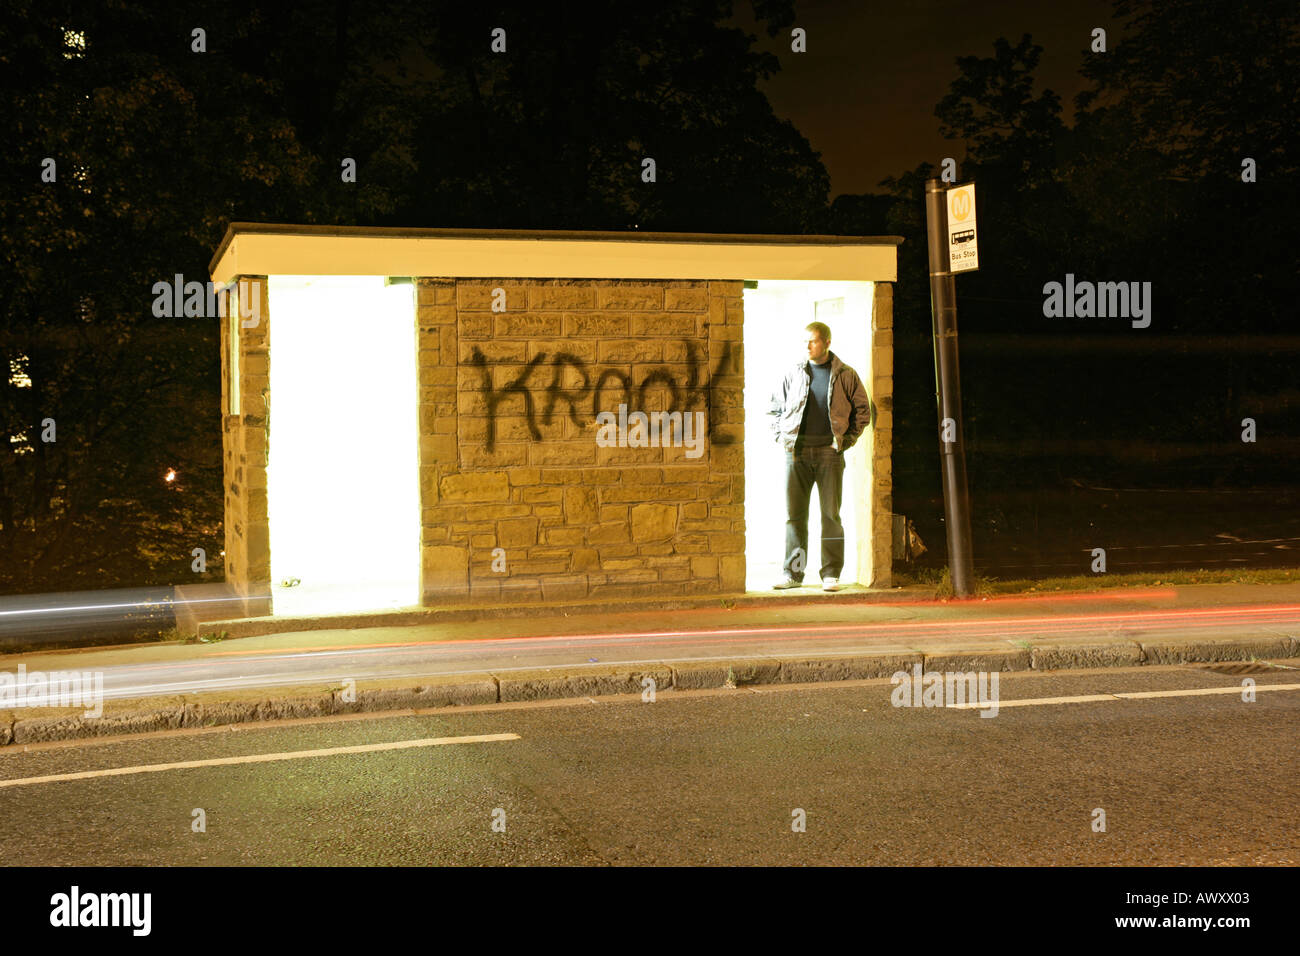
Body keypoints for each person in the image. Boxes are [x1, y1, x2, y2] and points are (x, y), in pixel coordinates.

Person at [767, 322, 872, 591]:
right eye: (805, 341)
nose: (807, 346)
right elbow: (774, 409)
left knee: (830, 516)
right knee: (795, 516)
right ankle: (793, 574)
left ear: (826, 342)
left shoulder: (846, 375)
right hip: (797, 454)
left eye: (812, 341)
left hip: (829, 454)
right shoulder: (794, 372)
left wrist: (845, 441)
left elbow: (863, 411)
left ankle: (831, 574)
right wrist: (783, 438)